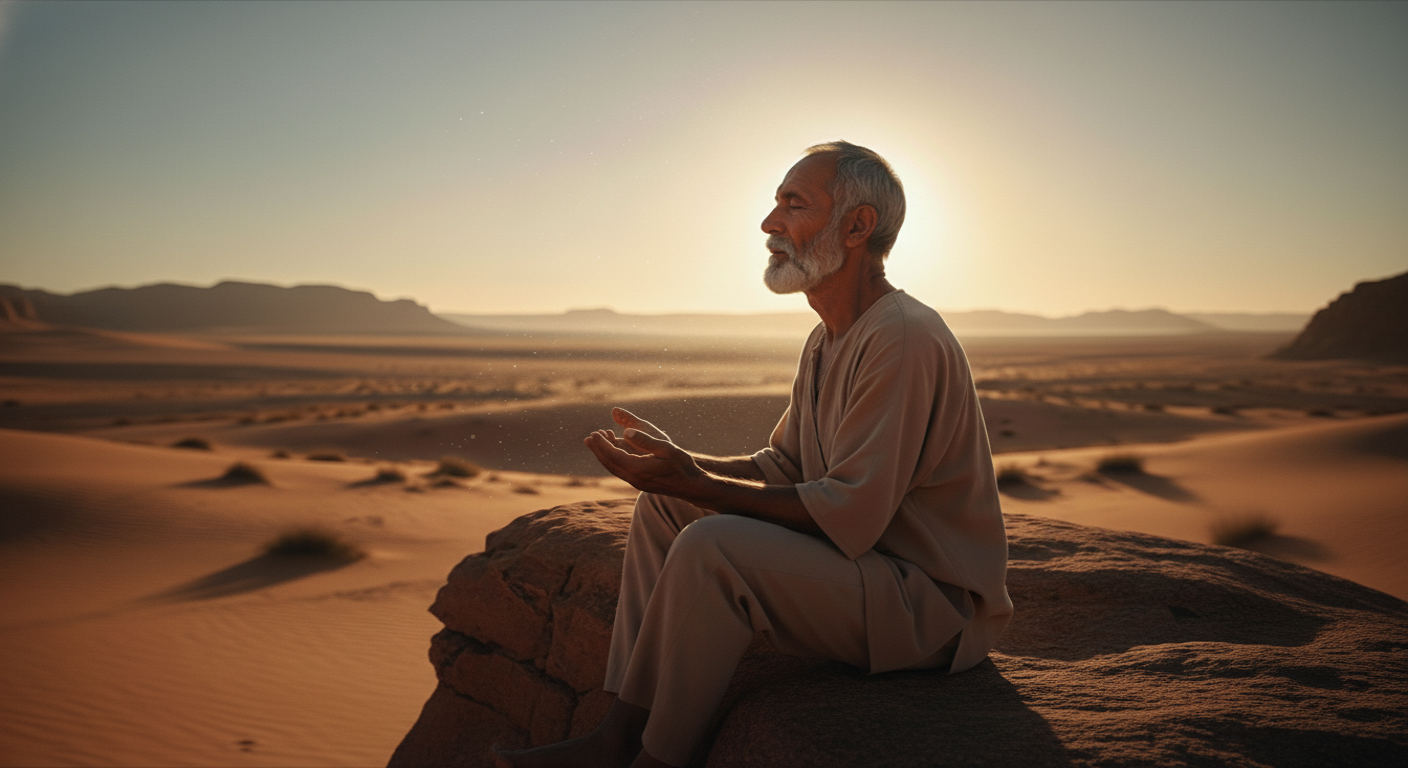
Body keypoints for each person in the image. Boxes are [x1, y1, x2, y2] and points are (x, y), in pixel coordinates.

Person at [495, 141, 1011, 768]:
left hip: (927, 607)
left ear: (857, 226)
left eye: (793, 204)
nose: (770, 224)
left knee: (713, 549)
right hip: (868, 573)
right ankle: (618, 735)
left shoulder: (900, 336)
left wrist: (701, 484)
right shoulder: (829, 338)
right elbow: (784, 470)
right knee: (666, 509)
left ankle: (660, 760)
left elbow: (850, 515)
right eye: (774, 204)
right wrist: (682, 469)